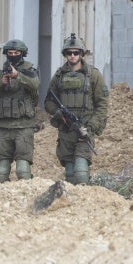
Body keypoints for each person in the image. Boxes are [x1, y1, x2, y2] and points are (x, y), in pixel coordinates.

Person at [43, 33, 108, 185]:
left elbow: (102, 104)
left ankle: (85, 200)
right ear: (65, 54)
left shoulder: (93, 75)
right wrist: (57, 112)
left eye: (76, 52)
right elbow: (48, 102)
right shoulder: (59, 75)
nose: (72, 56)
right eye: (69, 53)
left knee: (81, 171)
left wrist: (91, 126)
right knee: (70, 173)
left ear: (81, 54)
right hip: (66, 131)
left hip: (84, 129)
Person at [0, 39, 40, 183]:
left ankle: (25, 194)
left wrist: (18, 76)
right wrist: (1, 83)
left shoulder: (29, 72)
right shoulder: (1, 74)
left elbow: (35, 84)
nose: (13, 55)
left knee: (22, 168)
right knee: (1, 170)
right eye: (10, 53)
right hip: (3, 127)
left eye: (16, 53)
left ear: (22, 54)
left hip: (23, 126)